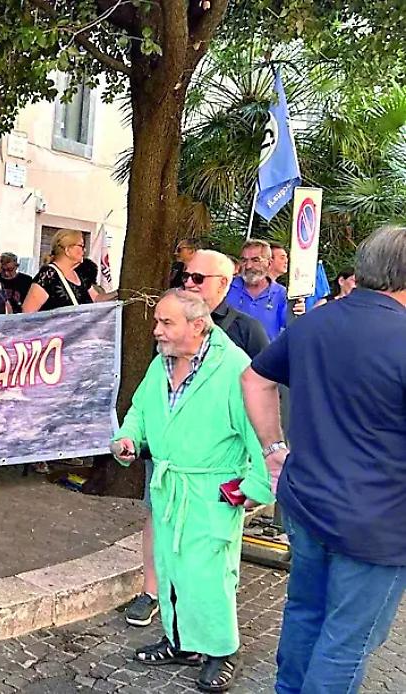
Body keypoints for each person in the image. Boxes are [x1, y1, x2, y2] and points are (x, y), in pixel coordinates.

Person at [242, 227, 406, 694]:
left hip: (308, 502)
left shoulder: (315, 321)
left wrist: (274, 449)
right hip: (379, 522)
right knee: (346, 643)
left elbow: (253, 380)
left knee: (304, 615)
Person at [111, 289, 274, 693]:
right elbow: (141, 409)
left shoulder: (235, 366)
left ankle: (221, 650)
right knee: (169, 568)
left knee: (210, 575)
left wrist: (255, 488)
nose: (157, 330)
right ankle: (181, 642)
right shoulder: (161, 364)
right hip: (170, 487)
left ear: (197, 326)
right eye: (157, 322)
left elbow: (259, 430)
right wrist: (129, 437)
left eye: (166, 323)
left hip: (212, 489)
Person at [184, 250, 269, 359]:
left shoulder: (247, 329)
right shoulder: (173, 320)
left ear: (222, 283)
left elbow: (267, 374)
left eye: (198, 278)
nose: (188, 283)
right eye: (186, 276)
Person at [225, 239, 288, 341]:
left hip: (265, 356)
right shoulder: (227, 287)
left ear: (269, 263)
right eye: (244, 260)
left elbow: (291, 328)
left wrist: (298, 313)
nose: (248, 266)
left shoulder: (281, 294)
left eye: (255, 260)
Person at [23, 229, 94, 312]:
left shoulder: (80, 275)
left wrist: (113, 295)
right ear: (67, 250)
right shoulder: (49, 274)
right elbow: (27, 313)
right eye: (81, 246)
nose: (84, 250)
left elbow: (97, 299)